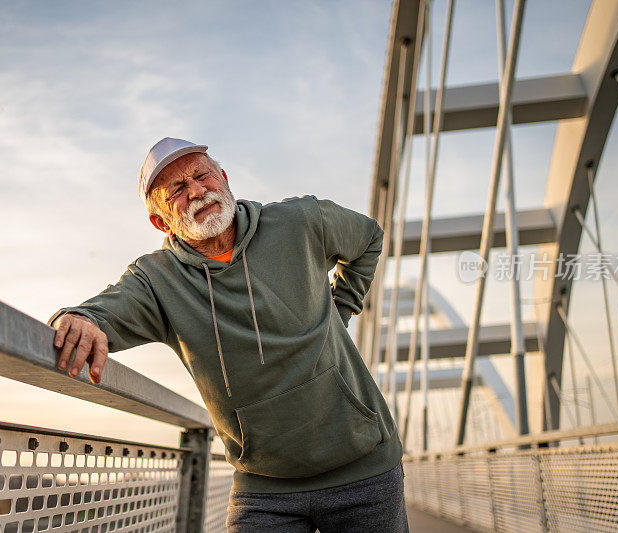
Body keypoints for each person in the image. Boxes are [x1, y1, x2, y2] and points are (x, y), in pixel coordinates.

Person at [49, 137, 408, 532]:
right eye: (179, 191)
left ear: (223, 178)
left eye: (202, 176)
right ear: (161, 221)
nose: (198, 192)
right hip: (263, 490)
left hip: (364, 470)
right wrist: (78, 318)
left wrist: (340, 311)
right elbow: (102, 312)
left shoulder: (300, 221)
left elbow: (369, 238)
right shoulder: (156, 280)